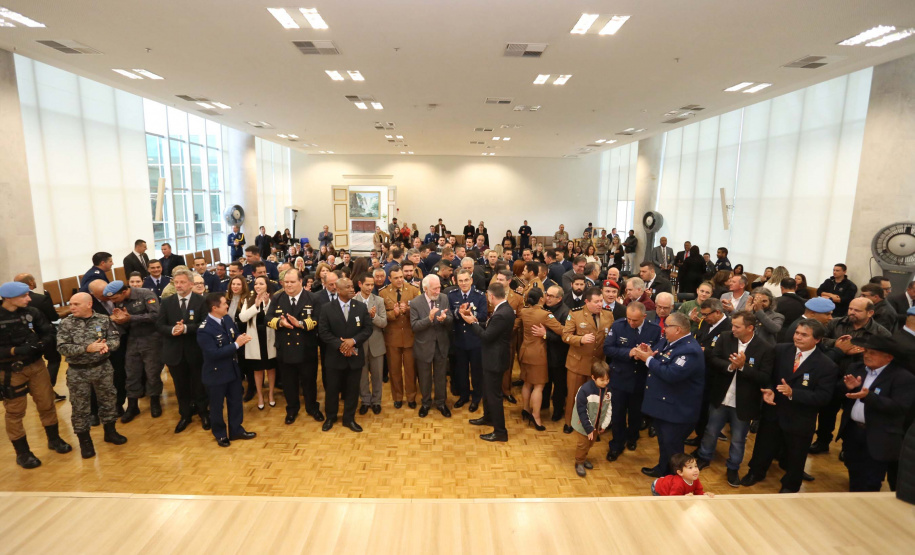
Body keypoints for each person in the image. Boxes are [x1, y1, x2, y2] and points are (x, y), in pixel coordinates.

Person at [742, 320, 838, 492]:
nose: (798, 337)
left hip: (800, 418)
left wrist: (793, 393)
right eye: (797, 333)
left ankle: (791, 485)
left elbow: (823, 397)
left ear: (817, 339)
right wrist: (769, 390)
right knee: (763, 446)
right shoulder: (780, 350)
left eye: (804, 335)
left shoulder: (826, 365)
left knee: (796, 455)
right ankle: (755, 472)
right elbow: (768, 376)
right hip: (774, 410)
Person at [694, 311, 774, 487]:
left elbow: (764, 377)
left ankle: (733, 467)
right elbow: (713, 359)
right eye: (733, 325)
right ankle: (704, 457)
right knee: (711, 430)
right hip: (721, 396)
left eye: (737, 326)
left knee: (738, 438)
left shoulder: (765, 348)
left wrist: (743, 368)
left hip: (744, 403)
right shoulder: (725, 337)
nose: (733, 329)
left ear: (750, 328)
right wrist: (731, 366)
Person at [0, 281, 72, 468]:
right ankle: (23, 453)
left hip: (36, 365)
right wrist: (15, 350)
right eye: (23, 296)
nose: (29, 298)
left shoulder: (32, 312)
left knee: (47, 403)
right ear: (8, 298)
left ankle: (54, 439)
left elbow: (48, 331)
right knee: (15, 411)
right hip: (10, 371)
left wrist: (40, 345)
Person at [809, 297, 892, 454]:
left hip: (861, 379)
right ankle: (822, 440)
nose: (851, 313)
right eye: (850, 308)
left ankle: (847, 447)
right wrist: (838, 345)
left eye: (857, 310)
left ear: (870, 313)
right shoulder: (836, 323)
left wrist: (864, 350)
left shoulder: (880, 332)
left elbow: (883, 354)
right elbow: (819, 339)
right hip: (833, 376)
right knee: (827, 412)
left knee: (850, 414)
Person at [837, 336, 915, 491]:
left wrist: (869, 397)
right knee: (854, 475)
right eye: (866, 351)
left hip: (879, 438)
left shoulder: (903, 377)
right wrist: (847, 387)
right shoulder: (856, 369)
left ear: (889, 357)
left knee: (871, 481)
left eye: (873, 353)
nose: (867, 355)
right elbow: (837, 394)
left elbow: (900, 407)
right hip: (853, 432)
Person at [633, 312, 705, 478]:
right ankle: (663, 469)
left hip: (677, 410)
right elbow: (663, 358)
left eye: (667, 327)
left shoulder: (690, 350)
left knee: (673, 447)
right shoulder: (671, 341)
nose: (663, 330)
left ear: (678, 329)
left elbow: (672, 374)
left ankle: (676, 479)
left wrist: (648, 360)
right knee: (664, 442)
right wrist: (651, 353)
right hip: (665, 407)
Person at [57, 292, 127, 458]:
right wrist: (86, 348)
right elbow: (62, 347)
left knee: (108, 400)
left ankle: (110, 432)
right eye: (70, 304)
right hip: (78, 371)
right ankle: (85, 442)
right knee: (80, 407)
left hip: (102, 368)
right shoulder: (66, 323)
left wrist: (106, 347)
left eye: (76, 304)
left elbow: (115, 340)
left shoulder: (103, 320)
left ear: (89, 304)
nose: (71, 307)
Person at [603, 302, 662, 461]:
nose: (631, 323)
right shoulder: (618, 326)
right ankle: (616, 444)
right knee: (618, 414)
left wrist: (647, 355)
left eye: (635, 320)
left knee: (636, 413)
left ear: (644, 316)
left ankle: (633, 437)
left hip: (640, 379)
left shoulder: (655, 330)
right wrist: (629, 353)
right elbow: (607, 348)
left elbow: (658, 352)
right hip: (620, 377)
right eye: (628, 318)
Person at [197, 292, 256, 447]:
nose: (227, 306)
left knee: (236, 402)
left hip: (233, 370)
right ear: (215, 308)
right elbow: (213, 354)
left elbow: (234, 335)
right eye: (224, 303)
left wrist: (241, 338)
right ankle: (220, 434)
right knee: (216, 406)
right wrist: (237, 344)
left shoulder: (227, 319)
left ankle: (236, 430)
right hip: (216, 373)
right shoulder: (204, 329)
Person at [267, 268, 323, 425]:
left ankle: (312, 407)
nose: (289, 285)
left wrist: (299, 324)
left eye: (292, 282)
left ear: (300, 282)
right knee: (288, 382)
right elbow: (268, 318)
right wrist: (280, 322)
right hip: (285, 348)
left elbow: (318, 319)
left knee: (309, 381)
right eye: (286, 282)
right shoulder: (277, 298)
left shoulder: (312, 298)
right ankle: (292, 409)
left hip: (306, 347)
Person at [156, 269, 210, 433]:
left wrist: (186, 328)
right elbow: (159, 325)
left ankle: (203, 413)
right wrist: (173, 330)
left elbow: (205, 323)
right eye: (176, 282)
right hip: (175, 353)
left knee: (199, 385)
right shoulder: (166, 302)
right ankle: (185, 415)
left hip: (196, 352)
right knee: (180, 387)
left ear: (191, 284)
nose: (178, 285)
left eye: (182, 282)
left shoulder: (201, 301)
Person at [462, 282, 516, 442]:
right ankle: (488, 417)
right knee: (487, 391)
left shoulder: (501, 313)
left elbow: (486, 336)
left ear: (491, 296)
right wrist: (476, 321)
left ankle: (500, 431)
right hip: (493, 358)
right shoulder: (504, 308)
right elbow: (491, 328)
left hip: (495, 360)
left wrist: (472, 323)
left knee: (494, 396)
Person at [318, 277, 373, 432]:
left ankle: (349, 419)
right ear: (338, 289)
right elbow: (323, 332)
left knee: (352, 389)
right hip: (334, 357)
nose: (351, 289)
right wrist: (341, 345)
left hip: (355, 356)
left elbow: (367, 329)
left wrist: (353, 341)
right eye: (348, 287)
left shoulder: (361, 307)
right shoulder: (327, 308)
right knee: (332, 389)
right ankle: (331, 417)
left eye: (352, 286)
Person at [561, 287, 615, 434]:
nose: (600, 304)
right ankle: (569, 423)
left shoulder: (608, 315)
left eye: (601, 301)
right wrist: (581, 339)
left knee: (594, 399)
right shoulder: (576, 314)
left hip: (596, 366)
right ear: (587, 301)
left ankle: (591, 425)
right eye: (596, 301)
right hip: (577, 363)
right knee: (573, 395)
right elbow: (565, 336)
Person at [111, 278, 162, 424]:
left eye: (116, 298)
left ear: (124, 291)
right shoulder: (119, 303)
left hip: (151, 339)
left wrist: (130, 318)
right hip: (133, 340)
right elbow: (124, 324)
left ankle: (155, 401)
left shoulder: (146, 294)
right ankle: (132, 406)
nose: (115, 301)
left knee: (152, 373)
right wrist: (118, 320)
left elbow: (155, 315)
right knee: (132, 373)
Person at [518, 287, 564, 430]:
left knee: (527, 383)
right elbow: (562, 330)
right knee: (538, 386)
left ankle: (525, 409)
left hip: (524, 351)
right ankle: (536, 416)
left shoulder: (524, 311)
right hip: (538, 354)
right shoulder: (545, 315)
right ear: (541, 299)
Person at [13, 274, 64, 401]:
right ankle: (48, 390)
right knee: (53, 360)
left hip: (23, 342)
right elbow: (53, 317)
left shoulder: (11, 302)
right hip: (44, 336)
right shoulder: (41, 299)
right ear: (30, 282)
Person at [409, 274, 453, 418]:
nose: (438, 291)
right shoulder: (415, 303)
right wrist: (429, 319)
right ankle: (426, 403)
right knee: (425, 377)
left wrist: (445, 319)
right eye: (435, 289)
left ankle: (441, 403)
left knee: (441, 377)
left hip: (441, 345)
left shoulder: (444, 298)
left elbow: (451, 319)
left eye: (439, 287)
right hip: (423, 346)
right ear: (425, 289)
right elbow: (414, 326)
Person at [380, 266, 421, 409]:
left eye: (401, 277)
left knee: (411, 370)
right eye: (396, 278)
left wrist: (408, 310)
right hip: (392, 337)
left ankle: (411, 397)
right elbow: (382, 315)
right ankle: (397, 397)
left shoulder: (414, 290)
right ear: (389, 278)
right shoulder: (383, 293)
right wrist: (394, 314)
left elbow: (420, 312)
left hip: (410, 336)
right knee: (394, 370)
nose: (399, 280)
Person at [448, 269, 487, 411]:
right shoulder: (452, 295)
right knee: (461, 371)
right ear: (456, 282)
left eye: (466, 280)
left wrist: (470, 313)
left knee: (476, 371)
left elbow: (483, 316)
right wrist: (459, 313)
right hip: (459, 340)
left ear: (471, 280)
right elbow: (450, 315)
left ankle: (476, 398)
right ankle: (464, 396)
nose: (463, 283)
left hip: (476, 340)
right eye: (460, 281)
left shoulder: (480, 296)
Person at [239, 276, 278, 410]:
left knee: (271, 368)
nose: (258, 286)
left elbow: (272, 318)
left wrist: (266, 305)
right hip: (255, 340)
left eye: (261, 283)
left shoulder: (273, 299)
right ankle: (260, 395)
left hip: (269, 339)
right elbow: (243, 318)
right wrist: (256, 305)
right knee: (258, 369)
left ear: (267, 285)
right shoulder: (248, 300)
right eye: (256, 284)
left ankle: (271, 394)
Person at [353, 273, 387, 415]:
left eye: (372, 285)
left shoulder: (379, 301)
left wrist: (373, 317)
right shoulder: (353, 301)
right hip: (360, 344)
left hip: (376, 343)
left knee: (377, 375)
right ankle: (365, 401)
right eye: (367, 284)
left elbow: (384, 323)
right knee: (362, 376)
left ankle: (376, 401)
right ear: (360, 284)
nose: (370, 287)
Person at [572, 360, 612, 477]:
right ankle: (579, 462)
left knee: (590, 443)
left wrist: (604, 425)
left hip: (596, 425)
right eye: (602, 380)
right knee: (583, 444)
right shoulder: (584, 390)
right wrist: (588, 428)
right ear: (593, 377)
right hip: (583, 424)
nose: (605, 382)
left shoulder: (608, 390)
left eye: (607, 379)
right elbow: (582, 411)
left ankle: (583, 458)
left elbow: (609, 407)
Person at [541, 285, 571, 422]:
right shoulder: (544, 308)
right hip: (545, 354)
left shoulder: (565, 313)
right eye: (547, 294)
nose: (548, 298)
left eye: (551, 296)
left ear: (559, 298)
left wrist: (546, 335)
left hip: (559, 356)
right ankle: (544, 403)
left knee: (559, 386)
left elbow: (566, 337)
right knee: (546, 382)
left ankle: (558, 411)